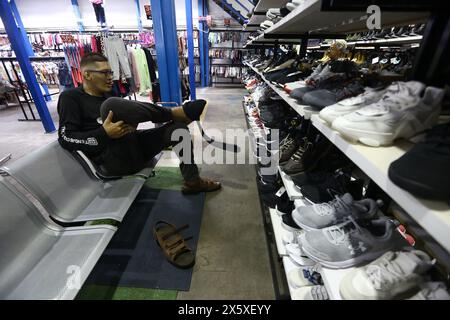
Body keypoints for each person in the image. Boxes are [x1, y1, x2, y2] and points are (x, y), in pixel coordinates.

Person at [57, 52, 221, 194]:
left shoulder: (109, 93)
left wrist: (131, 124)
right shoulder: (70, 98)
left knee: (178, 129)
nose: (110, 77)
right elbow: (66, 138)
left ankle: (193, 182)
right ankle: (173, 112)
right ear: (87, 75)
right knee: (111, 105)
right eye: (104, 73)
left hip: (133, 148)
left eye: (110, 72)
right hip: (111, 162)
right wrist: (104, 134)